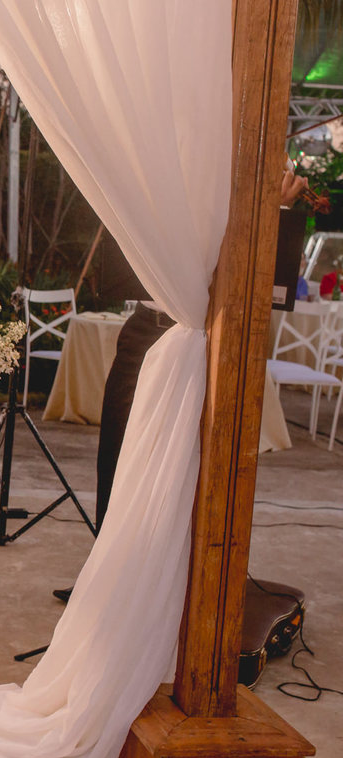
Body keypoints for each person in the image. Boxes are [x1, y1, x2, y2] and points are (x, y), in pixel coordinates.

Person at [52, 165, 310, 603]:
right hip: (141, 331)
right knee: (115, 454)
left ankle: (170, 588)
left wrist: (278, 212)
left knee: (187, 466)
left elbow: (265, 282)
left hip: (201, 337)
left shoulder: (233, 180)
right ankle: (104, 580)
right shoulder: (159, 175)